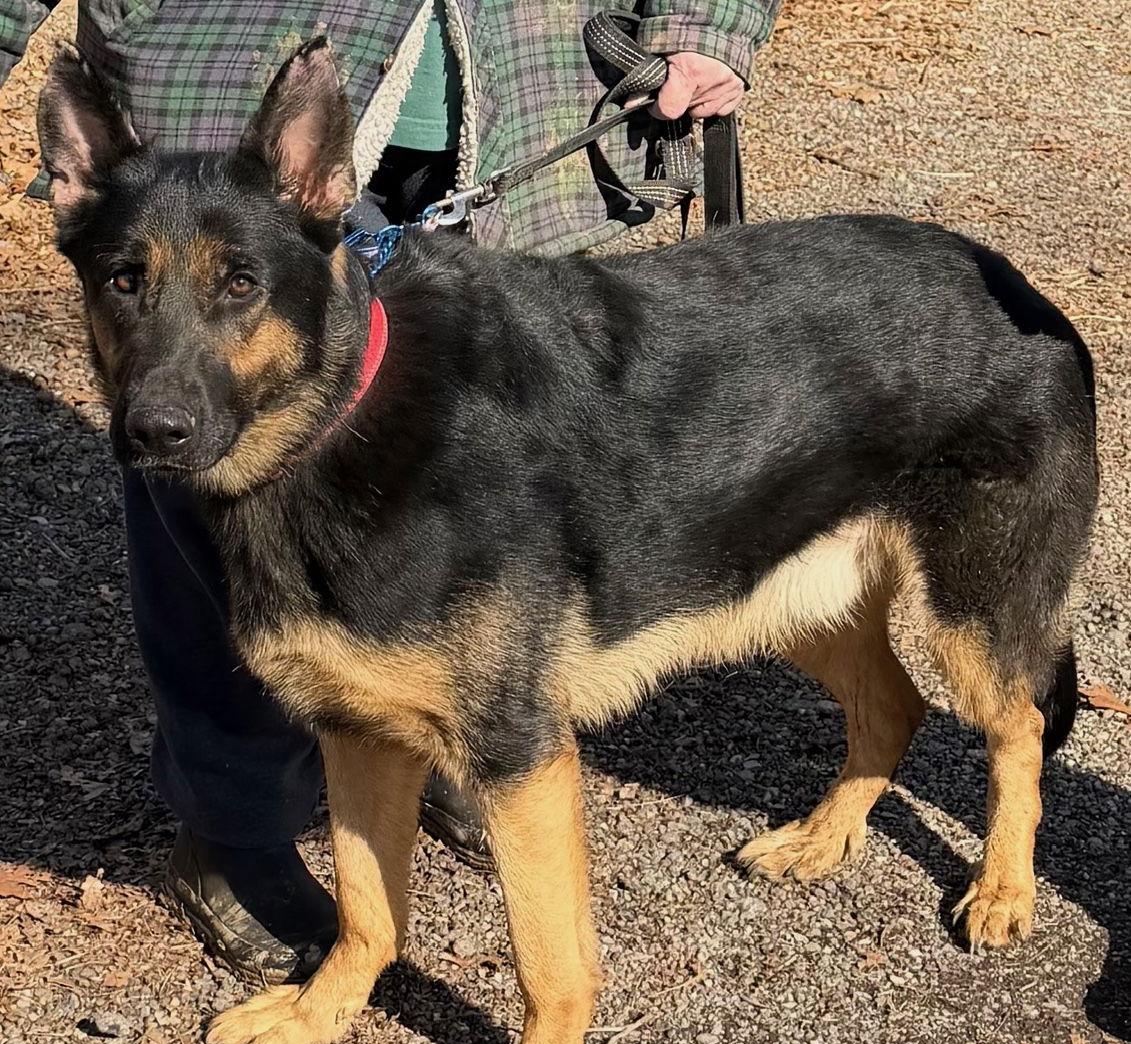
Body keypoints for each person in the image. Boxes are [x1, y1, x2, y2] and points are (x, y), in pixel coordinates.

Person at [3, 0, 780, 981]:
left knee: (498, 506)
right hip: (214, 94)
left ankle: (463, 719)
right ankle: (239, 826)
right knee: (218, 498)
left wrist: (711, 18)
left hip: (533, 102)